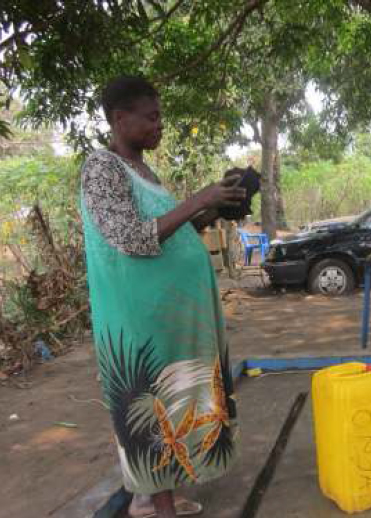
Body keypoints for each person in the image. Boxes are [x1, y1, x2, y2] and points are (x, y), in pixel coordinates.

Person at [80, 76, 243, 518]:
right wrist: (198, 198)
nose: (160, 126)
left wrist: (215, 207)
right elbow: (131, 238)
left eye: (160, 118)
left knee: (179, 402)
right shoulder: (101, 168)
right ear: (120, 119)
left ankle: (160, 496)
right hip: (142, 318)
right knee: (155, 409)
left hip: (170, 314)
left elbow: (167, 234)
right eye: (151, 118)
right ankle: (158, 506)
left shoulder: (143, 171)